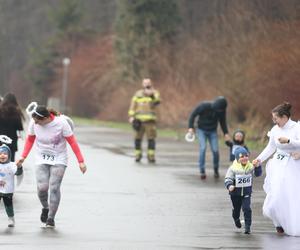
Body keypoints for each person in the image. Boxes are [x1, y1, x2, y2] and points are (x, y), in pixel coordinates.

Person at [16, 105, 87, 228]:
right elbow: (30, 140)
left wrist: (81, 161)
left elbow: (72, 141)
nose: (35, 123)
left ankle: (51, 218)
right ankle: (45, 207)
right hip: (41, 157)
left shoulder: (61, 123)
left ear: (46, 118)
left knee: (54, 188)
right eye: (35, 120)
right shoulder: (34, 122)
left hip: (59, 157)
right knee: (42, 188)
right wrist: (23, 156)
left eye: (38, 121)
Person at [253, 102, 300, 236]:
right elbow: (271, 147)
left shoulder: (296, 128)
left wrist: (289, 141)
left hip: (293, 165)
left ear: (284, 117)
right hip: (278, 166)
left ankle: (290, 223)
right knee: (275, 195)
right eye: (273, 118)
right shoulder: (275, 130)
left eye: (276, 118)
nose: (274, 121)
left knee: (290, 196)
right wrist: (259, 159)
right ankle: (278, 222)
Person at [187, 96, 231, 179]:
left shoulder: (221, 111)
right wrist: (190, 127)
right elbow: (193, 115)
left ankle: (216, 169)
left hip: (212, 131)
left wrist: (226, 133)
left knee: (215, 150)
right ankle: (202, 170)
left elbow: (223, 122)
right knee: (203, 148)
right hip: (201, 130)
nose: (218, 111)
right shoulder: (204, 106)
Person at [225, 146, 262, 234]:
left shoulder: (250, 166)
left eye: (246, 156)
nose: (244, 158)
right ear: (237, 158)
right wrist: (230, 185)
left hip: (246, 192)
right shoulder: (233, 168)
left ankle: (248, 226)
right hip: (235, 193)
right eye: (242, 157)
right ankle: (236, 218)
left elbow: (258, 174)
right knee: (236, 209)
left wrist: (257, 167)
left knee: (247, 208)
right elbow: (228, 178)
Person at [128, 78, 160, 163]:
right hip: (139, 121)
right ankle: (138, 155)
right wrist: (131, 116)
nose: (146, 84)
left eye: (148, 83)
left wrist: (151, 95)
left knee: (151, 139)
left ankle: (151, 156)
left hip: (150, 121)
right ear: (142, 84)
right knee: (137, 139)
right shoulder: (138, 94)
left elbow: (157, 102)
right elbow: (133, 105)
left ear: (151, 83)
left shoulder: (155, 93)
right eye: (145, 83)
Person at [0, 144, 23, 227]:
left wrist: (19, 167)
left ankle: (11, 218)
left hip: (7, 190)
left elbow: (18, 173)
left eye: (5, 153)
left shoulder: (12, 165)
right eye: (0, 153)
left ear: (9, 155)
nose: (2, 155)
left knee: (8, 205)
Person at [0, 93, 25, 161]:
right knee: (10, 162)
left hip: (0, 140)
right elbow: (20, 127)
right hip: (12, 141)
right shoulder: (16, 112)